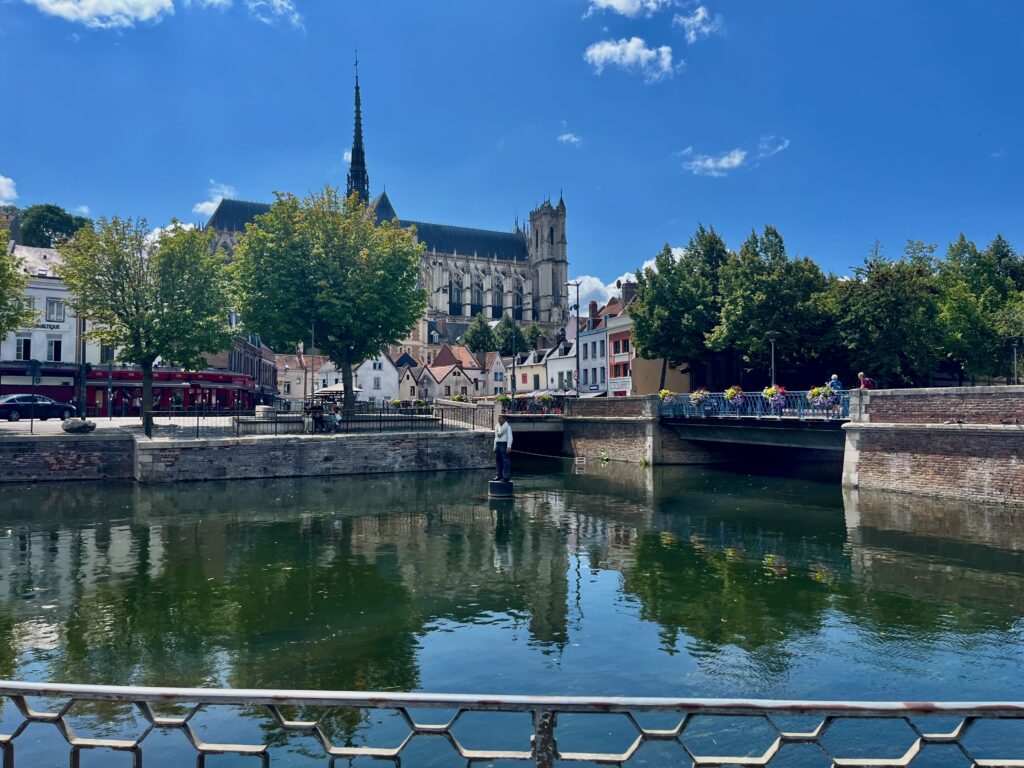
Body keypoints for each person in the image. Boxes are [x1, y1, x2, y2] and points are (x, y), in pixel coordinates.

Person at [493, 413, 513, 482]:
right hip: (498, 444)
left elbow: (510, 437)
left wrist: (509, 447)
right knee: (498, 460)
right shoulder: (496, 426)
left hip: (504, 444)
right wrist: (494, 447)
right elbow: (495, 437)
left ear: (504, 419)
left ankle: (506, 476)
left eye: (500, 418)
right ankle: (499, 475)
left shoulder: (508, 427)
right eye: (498, 418)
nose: (499, 419)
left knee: (505, 461)